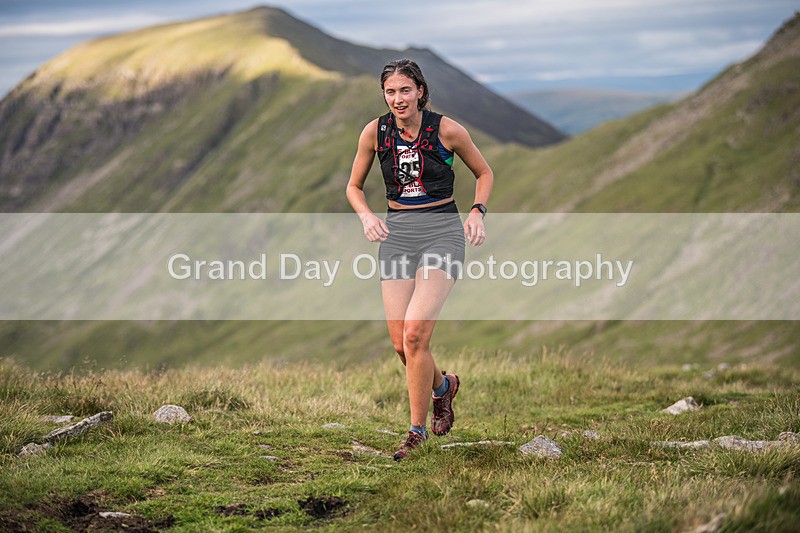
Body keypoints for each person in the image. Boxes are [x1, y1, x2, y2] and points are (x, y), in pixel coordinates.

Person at [345, 59, 494, 461]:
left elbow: (484, 172)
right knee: (401, 344)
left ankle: (416, 432)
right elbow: (354, 187)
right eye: (390, 92)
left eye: (405, 90)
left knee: (415, 336)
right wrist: (366, 216)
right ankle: (443, 387)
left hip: (442, 233)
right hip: (397, 236)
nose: (398, 99)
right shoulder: (374, 132)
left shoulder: (447, 129)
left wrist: (477, 212)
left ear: (420, 92)